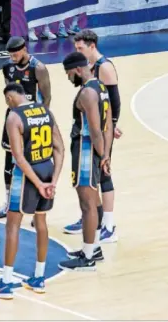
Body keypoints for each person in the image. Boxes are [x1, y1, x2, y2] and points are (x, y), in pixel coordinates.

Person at [0, 83, 64, 299]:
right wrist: (52, 181)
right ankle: (38, 277)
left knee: (12, 225)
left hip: (26, 175)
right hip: (47, 168)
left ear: (10, 98)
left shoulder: (14, 117)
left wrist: (37, 183)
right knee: (41, 222)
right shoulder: (46, 111)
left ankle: (5, 282)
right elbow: (60, 148)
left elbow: (18, 157)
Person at [64, 30, 122, 243]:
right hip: (95, 126)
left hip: (102, 131)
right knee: (93, 179)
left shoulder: (104, 67)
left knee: (103, 173)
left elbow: (114, 102)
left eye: (80, 48)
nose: (78, 51)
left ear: (92, 46)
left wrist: (112, 124)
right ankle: (90, 217)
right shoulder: (87, 71)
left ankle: (108, 224)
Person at [59, 52, 113, 271]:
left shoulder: (86, 93)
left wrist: (101, 155)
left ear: (78, 70)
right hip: (95, 151)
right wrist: (107, 154)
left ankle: (88, 258)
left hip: (85, 150)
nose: (68, 78)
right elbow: (109, 124)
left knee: (87, 204)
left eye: (69, 73)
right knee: (95, 201)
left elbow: (96, 130)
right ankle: (95, 247)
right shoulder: (101, 88)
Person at [0, 37, 52, 220]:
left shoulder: (38, 68)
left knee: (36, 161)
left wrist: (42, 119)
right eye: (10, 54)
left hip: (33, 119)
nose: (12, 57)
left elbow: (47, 98)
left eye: (15, 53)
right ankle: (9, 202)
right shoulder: (7, 67)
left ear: (24, 49)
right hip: (14, 118)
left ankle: (38, 211)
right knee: (9, 159)